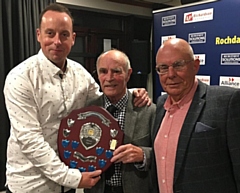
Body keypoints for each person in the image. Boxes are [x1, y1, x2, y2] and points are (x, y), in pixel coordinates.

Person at [3, 3, 150, 193]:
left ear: (73, 38)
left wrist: (133, 93)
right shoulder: (20, 77)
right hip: (31, 185)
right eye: (50, 33)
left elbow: (103, 101)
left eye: (64, 34)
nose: (57, 41)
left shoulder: (79, 73)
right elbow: (30, 140)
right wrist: (73, 178)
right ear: (39, 35)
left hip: (69, 186)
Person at [151, 37, 240, 193]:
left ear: (195, 66)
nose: (170, 74)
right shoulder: (160, 104)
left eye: (178, 65)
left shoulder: (227, 101)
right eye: (163, 68)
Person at [84, 49, 156, 193]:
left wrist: (143, 155)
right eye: (103, 71)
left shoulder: (148, 110)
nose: (109, 78)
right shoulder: (88, 110)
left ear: (128, 74)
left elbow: (163, 154)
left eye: (116, 71)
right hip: (98, 189)